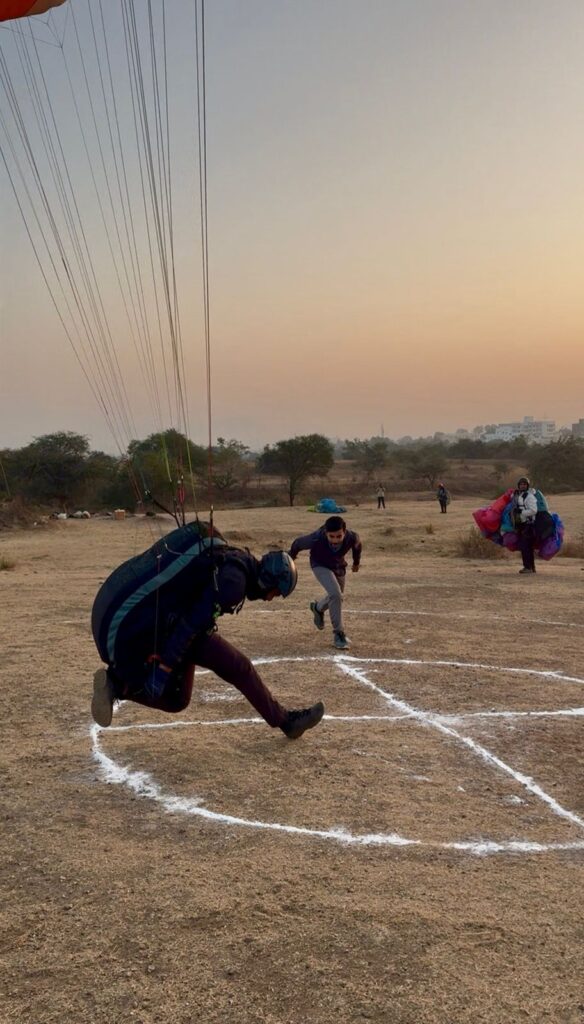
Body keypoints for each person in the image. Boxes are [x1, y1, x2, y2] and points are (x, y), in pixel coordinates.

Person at [90, 523, 324, 739]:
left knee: (178, 699)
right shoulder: (234, 583)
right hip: (168, 626)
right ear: (268, 581)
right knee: (239, 667)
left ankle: (118, 686)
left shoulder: (236, 560)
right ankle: (286, 722)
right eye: (275, 593)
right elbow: (190, 624)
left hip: (171, 619)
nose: (271, 599)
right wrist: (165, 666)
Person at [289, 515, 362, 651]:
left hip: (338, 566)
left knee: (336, 596)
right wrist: (290, 558)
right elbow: (298, 543)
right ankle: (338, 634)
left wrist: (356, 562)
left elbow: (357, 546)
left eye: (339, 536)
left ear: (344, 532)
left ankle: (317, 608)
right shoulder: (317, 537)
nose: (335, 540)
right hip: (320, 564)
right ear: (325, 533)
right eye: (331, 536)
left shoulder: (352, 537)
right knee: (336, 595)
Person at [512, 476, 544, 575]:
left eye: (524, 484)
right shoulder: (518, 495)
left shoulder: (529, 497)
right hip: (521, 524)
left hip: (529, 525)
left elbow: (534, 510)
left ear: (527, 486)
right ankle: (531, 567)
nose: (522, 486)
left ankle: (527, 567)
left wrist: (521, 511)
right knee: (528, 547)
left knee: (525, 546)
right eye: (521, 484)